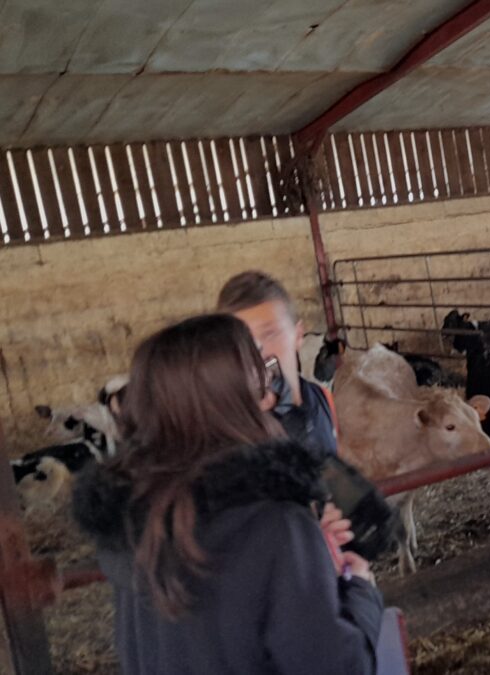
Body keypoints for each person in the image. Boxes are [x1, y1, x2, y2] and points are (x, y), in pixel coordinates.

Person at [73, 314, 382, 674]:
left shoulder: (136, 519)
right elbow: (339, 667)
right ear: (241, 397)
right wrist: (360, 590)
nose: (269, 395)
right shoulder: (274, 526)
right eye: (262, 377)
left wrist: (305, 561)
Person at [217, 271, 338, 459]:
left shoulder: (322, 399)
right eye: (242, 340)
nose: (257, 352)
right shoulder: (229, 431)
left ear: (298, 335)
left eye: (270, 334)